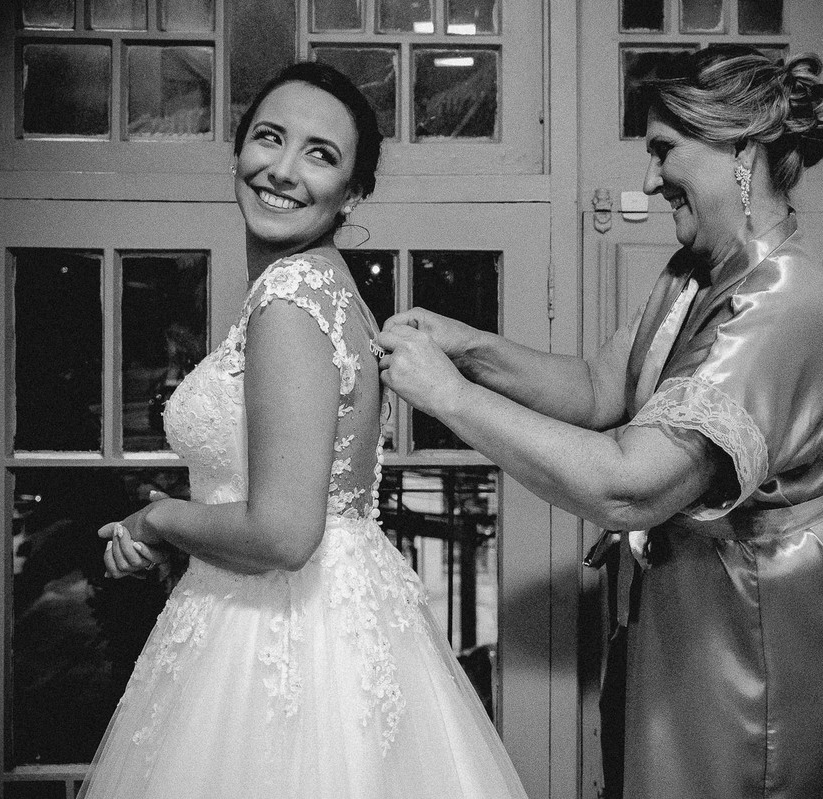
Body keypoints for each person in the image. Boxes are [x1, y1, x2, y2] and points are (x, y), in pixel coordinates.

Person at [377, 47, 823, 798]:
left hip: (759, 661)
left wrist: (449, 399)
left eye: (664, 151)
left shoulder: (780, 308)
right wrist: (468, 346)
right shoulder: (694, 274)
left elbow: (630, 486)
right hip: (687, 638)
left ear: (741, 149)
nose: (648, 179)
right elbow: (598, 387)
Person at [80, 62, 528, 799]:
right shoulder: (330, 286)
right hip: (325, 619)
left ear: (352, 193)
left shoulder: (289, 298)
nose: (283, 170)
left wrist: (158, 516)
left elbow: (286, 532)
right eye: (269, 138)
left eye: (320, 154)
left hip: (278, 634)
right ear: (238, 150)